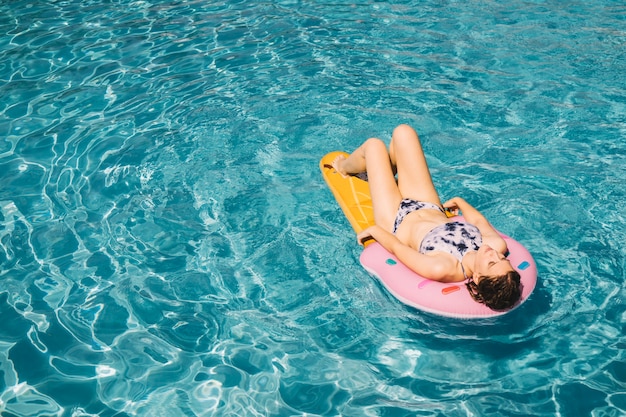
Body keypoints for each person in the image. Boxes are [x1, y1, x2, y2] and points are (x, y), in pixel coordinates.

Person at [332, 124, 521, 310]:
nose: (494, 255)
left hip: (395, 218)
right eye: (504, 260)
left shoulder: (442, 267)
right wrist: (460, 201)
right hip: (428, 204)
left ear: (478, 277)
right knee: (403, 132)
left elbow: (398, 248)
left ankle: (344, 167)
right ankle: (385, 170)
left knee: (374, 146)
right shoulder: (495, 245)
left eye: (492, 263)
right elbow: (479, 222)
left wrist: (374, 230)